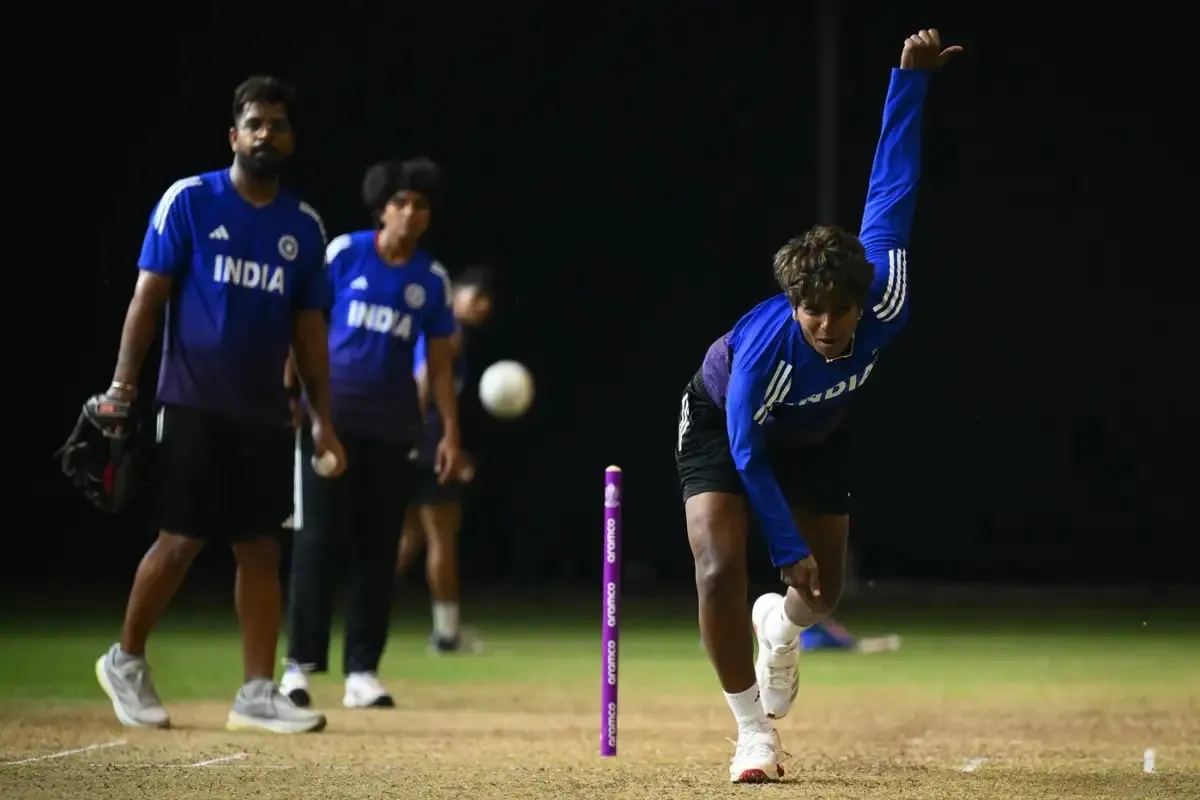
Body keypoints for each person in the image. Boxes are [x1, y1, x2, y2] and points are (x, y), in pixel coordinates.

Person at [673, 30, 961, 782]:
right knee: (717, 568)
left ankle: (781, 627)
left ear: (862, 300)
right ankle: (753, 734)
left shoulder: (885, 292)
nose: (828, 326)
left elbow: (891, 186)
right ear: (793, 304)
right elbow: (746, 453)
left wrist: (910, 81)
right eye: (812, 312)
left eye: (840, 310)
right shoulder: (762, 356)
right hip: (727, 425)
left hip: (816, 430)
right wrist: (781, 544)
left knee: (821, 593)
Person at [92, 75, 344, 734]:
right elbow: (148, 298)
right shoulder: (191, 200)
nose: (266, 134)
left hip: (265, 413)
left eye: (277, 125)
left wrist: (323, 420)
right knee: (180, 539)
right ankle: (126, 659)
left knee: (260, 549)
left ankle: (256, 692)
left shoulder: (304, 226)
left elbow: (310, 336)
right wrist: (122, 387)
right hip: (191, 401)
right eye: (254, 123)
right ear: (234, 136)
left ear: (290, 140)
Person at [282, 157, 463, 710]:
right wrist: (291, 394)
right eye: (400, 202)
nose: (409, 212)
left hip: (393, 430)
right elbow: (305, 324)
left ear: (428, 216)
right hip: (329, 426)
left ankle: (362, 671)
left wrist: (450, 433)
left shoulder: (431, 279)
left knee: (378, 551)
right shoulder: (345, 253)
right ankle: (299, 668)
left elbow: (439, 364)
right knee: (316, 544)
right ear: (382, 209)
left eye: (420, 205)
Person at [395, 266, 495, 653]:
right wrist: (419, 437)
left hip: (417, 441)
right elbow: (423, 379)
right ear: (456, 293)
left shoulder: (440, 329)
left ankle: (364, 613)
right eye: (477, 296)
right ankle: (447, 634)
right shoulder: (448, 331)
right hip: (428, 446)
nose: (483, 307)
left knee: (409, 537)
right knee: (442, 534)